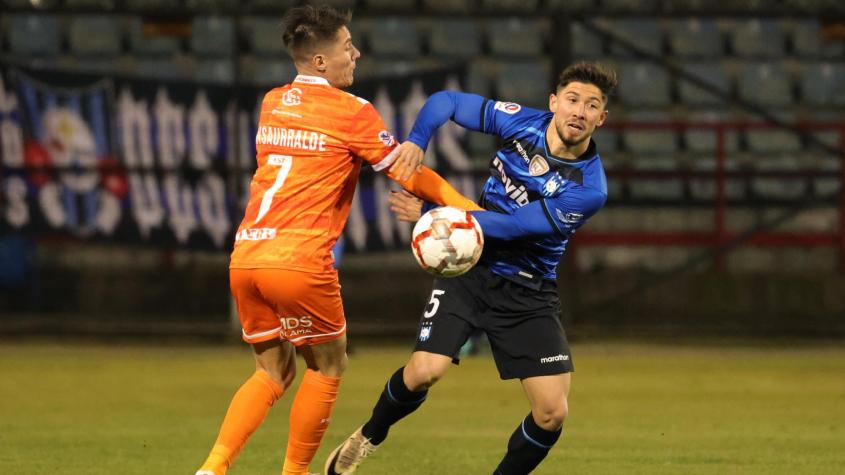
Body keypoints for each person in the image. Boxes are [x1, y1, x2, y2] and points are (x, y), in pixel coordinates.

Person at [194, 5, 479, 475]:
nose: (357, 54)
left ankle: (213, 467)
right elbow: (410, 173)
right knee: (328, 366)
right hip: (300, 260)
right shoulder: (352, 112)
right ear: (321, 62)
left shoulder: (270, 102)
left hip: (246, 256)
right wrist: (470, 211)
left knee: (272, 372)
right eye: (348, 47)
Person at [325, 61, 618, 475]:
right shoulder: (522, 122)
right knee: (425, 371)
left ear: (601, 118)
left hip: (528, 290)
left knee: (552, 413)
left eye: (591, 106)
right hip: (471, 268)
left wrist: (435, 213)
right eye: (572, 100)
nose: (579, 112)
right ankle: (367, 437)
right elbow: (446, 102)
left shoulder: (589, 188)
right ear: (554, 102)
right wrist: (417, 141)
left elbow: (517, 227)